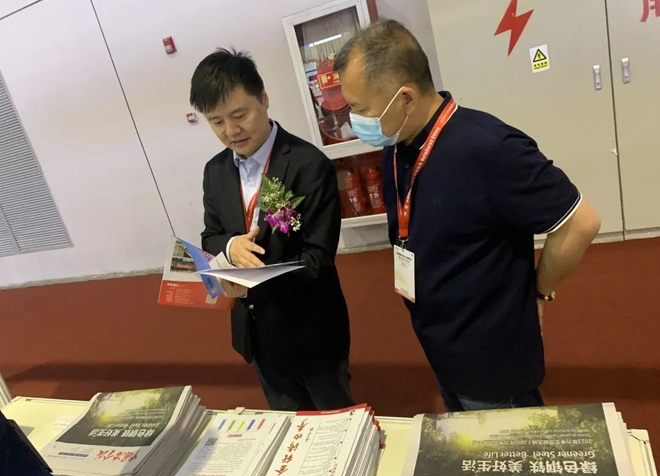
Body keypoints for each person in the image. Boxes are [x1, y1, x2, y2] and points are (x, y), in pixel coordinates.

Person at [334, 20, 601, 412]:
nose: (353, 122)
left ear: (406, 98)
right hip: (443, 344)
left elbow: (580, 222)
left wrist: (540, 294)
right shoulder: (397, 144)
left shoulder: (488, 148)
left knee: (507, 443)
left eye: (360, 109)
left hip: (492, 354)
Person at [190, 49, 354, 411]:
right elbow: (210, 236)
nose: (231, 131)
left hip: (311, 325)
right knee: (286, 419)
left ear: (263, 99)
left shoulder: (309, 164)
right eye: (216, 122)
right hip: (256, 329)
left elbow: (317, 259)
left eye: (239, 115)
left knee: (334, 416)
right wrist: (231, 248)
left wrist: (254, 279)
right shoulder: (215, 171)